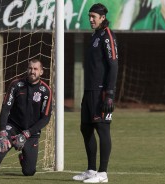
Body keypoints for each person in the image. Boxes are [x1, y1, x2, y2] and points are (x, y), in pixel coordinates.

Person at [0, 59, 52, 178]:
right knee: (1, 147)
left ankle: (23, 158)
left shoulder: (46, 91)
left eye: (35, 69)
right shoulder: (16, 85)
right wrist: (3, 131)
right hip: (13, 126)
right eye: (30, 68)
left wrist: (27, 134)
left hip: (31, 132)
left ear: (41, 72)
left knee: (29, 172)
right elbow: (5, 109)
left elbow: (45, 118)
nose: (32, 71)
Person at [72, 3, 118, 183]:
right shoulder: (94, 35)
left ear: (102, 17)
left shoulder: (107, 36)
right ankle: (91, 170)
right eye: (89, 16)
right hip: (89, 91)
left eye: (93, 16)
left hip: (101, 92)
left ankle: (103, 173)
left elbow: (113, 65)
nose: (90, 19)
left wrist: (110, 94)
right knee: (86, 128)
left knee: (103, 128)